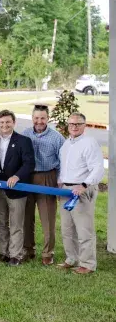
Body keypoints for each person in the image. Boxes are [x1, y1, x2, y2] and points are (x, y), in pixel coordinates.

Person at [57, 113, 104, 274]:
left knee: (84, 230)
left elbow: (97, 168)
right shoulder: (66, 144)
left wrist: (84, 185)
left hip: (81, 190)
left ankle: (88, 264)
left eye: (78, 124)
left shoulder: (89, 143)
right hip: (65, 190)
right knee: (67, 229)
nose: (74, 127)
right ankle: (72, 259)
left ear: (85, 125)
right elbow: (65, 167)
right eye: (71, 124)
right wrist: (60, 181)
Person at [21, 104, 65, 265]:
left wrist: (60, 181)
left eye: (42, 118)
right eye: (36, 118)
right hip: (27, 178)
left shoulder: (57, 138)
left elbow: (63, 162)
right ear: (32, 118)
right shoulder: (25, 134)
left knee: (47, 218)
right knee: (26, 217)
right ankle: (28, 250)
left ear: (48, 118)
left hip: (47, 177)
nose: (39, 121)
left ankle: (48, 253)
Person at [0, 109, 35, 266]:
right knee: (1, 222)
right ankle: (3, 253)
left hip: (16, 189)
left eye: (8, 122)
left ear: (14, 123)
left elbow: (29, 163)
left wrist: (17, 176)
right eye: (2, 122)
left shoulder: (24, 141)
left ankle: (15, 255)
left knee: (16, 223)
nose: (5, 125)